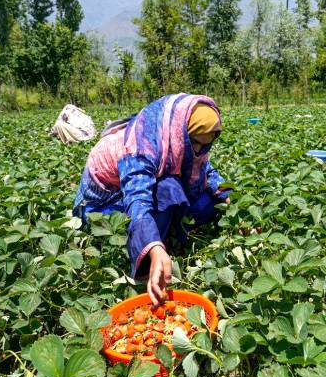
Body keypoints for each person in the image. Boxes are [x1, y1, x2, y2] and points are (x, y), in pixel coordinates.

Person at [73, 94, 231, 305]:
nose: (198, 151)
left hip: (136, 193)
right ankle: (149, 254)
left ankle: (166, 233)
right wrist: (154, 248)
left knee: (208, 203)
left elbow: (206, 169)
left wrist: (230, 199)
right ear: (181, 131)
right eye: (194, 143)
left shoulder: (185, 140)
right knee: (169, 189)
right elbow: (137, 198)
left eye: (206, 145)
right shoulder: (141, 145)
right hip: (102, 205)